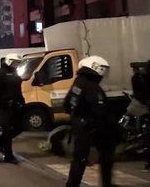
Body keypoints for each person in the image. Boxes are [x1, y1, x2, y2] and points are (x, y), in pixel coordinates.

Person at [64, 56, 123, 187]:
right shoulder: (92, 86)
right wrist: (114, 126)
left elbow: (67, 103)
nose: (103, 72)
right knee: (105, 155)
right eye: (102, 69)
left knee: (79, 158)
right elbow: (100, 111)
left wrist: (76, 118)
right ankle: (106, 183)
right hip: (91, 127)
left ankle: (72, 184)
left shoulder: (78, 82)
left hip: (80, 125)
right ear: (94, 67)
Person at [0, 53, 25, 163]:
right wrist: (2, 102)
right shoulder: (0, 73)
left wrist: (21, 101)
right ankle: (8, 155)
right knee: (7, 130)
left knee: (19, 128)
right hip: (3, 106)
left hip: (15, 105)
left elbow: (18, 89)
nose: (16, 65)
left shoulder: (15, 73)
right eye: (15, 62)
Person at [131, 60, 150, 171]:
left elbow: (138, 94)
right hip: (146, 108)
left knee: (147, 136)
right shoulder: (140, 78)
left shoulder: (138, 78)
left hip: (145, 108)